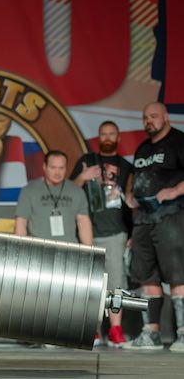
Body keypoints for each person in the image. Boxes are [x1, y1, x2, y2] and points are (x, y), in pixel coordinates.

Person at [122, 102, 184, 351]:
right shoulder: (142, 149)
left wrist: (174, 190)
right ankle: (152, 334)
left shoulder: (179, 141)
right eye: (145, 117)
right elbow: (134, 179)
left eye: (154, 116)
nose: (149, 120)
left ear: (166, 117)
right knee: (146, 277)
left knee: (178, 274)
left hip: (171, 217)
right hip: (143, 221)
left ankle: (183, 333)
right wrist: (130, 195)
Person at [69, 121, 133, 348]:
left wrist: (132, 232)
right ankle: (92, 331)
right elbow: (68, 191)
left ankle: (116, 330)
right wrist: (83, 177)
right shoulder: (86, 161)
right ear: (98, 137)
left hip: (116, 233)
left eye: (111, 134)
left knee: (116, 284)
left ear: (117, 137)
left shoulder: (126, 167)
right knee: (89, 285)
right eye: (103, 134)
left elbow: (131, 202)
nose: (107, 137)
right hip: (87, 234)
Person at [15, 150, 93, 245]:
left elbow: (83, 222)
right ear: (44, 167)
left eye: (61, 168)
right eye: (53, 168)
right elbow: (21, 223)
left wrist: (89, 250)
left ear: (66, 168)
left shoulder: (76, 191)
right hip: (39, 249)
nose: (57, 172)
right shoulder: (29, 190)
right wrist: (19, 251)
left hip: (69, 249)